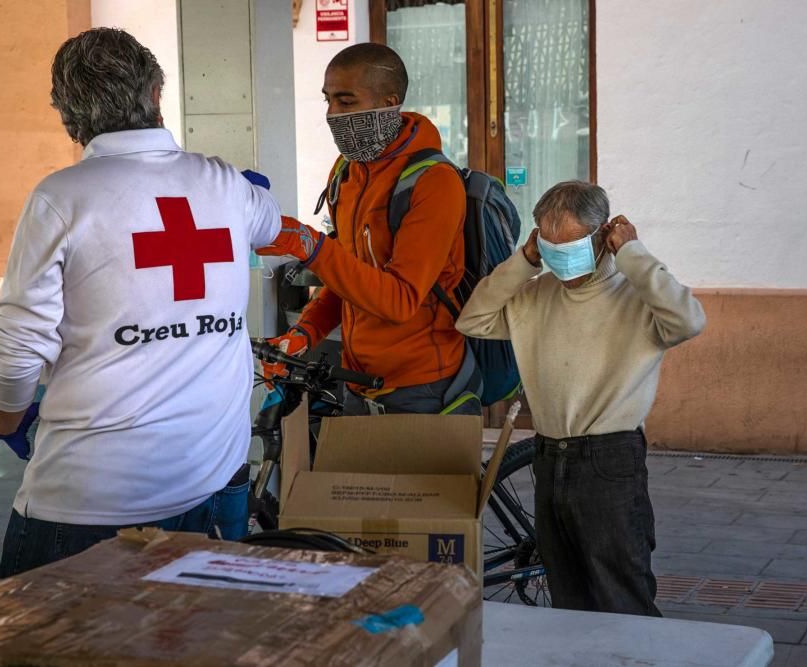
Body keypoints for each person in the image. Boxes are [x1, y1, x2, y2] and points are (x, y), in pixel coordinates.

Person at [0, 28, 284, 577]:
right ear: (155, 94)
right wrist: (243, 191)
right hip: (212, 484)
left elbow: (18, 348)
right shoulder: (222, 183)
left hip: (89, 503)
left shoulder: (61, 198)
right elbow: (270, 221)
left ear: (68, 113)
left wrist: (6, 418)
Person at [455, 181, 706, 615]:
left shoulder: (636, 297)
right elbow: (473, 320)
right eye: (550, 247)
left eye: (571, 245)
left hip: (609, 460)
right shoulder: (535, 296)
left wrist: (633, 254)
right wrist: (525, 262)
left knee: (621, 595)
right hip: (548, 456)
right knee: (566, 596)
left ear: (604, 235)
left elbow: (689, 320)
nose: (562, 259)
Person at [255, 43, 477, 416]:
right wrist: (304, 334)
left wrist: (311, 246)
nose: (332, 114)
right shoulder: (347, 173)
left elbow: (399, 301)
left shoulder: (434, 183)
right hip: (356, 380)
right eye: (328, 101)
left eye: (346, 102)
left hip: (422, 388)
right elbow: (348, 280)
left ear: (389, 103)